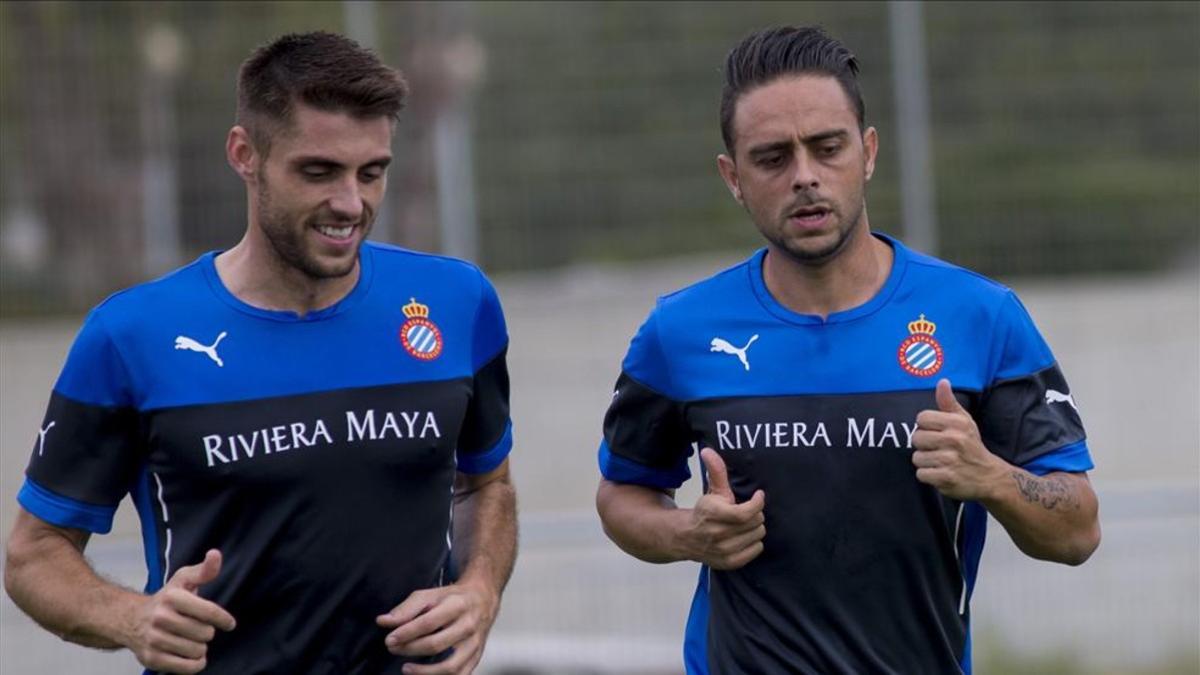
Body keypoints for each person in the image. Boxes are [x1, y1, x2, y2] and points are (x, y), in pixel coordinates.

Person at [4, 32, 516, 675]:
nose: (350, 204)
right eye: (318, 171)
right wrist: (131, 618)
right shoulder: (131, 335)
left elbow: (486, 484)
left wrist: (480, 589)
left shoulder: (458, 302)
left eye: (372, 172)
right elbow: (34, 553)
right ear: (244, 155)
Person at [594, 25, 1099, 674]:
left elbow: (1079, 527)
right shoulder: (679, 331)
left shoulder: (980, 317)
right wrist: (688, 533)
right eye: (772, 158)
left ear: (867, 152)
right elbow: (621, 496)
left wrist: (992, 477)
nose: (804, 176)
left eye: (826, 148)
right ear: (733, 177)